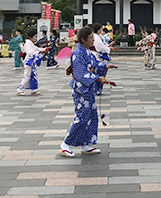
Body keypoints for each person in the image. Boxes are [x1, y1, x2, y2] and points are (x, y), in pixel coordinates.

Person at [60, 26, 117, 158]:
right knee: (82, 116)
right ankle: (66, 143)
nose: (93, 40)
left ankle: (85, 143)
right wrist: (98, 78)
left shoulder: (86, 51)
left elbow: (95, 63)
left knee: (91, 116)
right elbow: (81, 74)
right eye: (91, 38)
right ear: (83, 39)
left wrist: (105, 66)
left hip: (87, 88)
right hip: (81, 89)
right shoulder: (78, 54)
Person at [16, 30, 47, 96]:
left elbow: (36, 48)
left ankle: (33, 89)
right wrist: (40, 52)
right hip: (29, 62)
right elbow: (31, 52)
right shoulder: (28, 43)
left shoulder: (30, 43)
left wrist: (44, 49)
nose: (36, 38)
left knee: (33, 75)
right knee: (27, 75)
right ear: (30, 37)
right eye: (35, 36)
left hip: (32, 61)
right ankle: (19, 88)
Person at [90, 23, 114, 96]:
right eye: (100, 29)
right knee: (99, 73)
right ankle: (97, 89)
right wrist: (108, 49)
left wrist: (107, 47)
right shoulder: (96, 37)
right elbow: (100, 48)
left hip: (92, 55)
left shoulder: (94, 36)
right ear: (98, 30)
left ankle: (94, 89)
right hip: (96, 56)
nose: (101, 30)